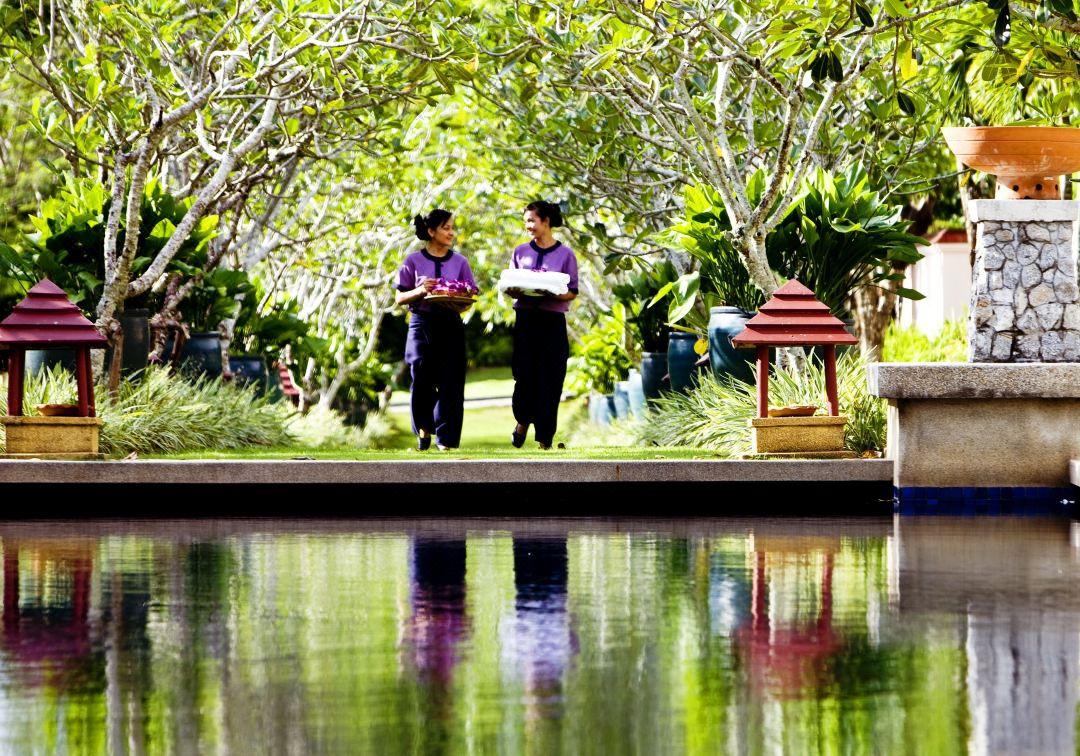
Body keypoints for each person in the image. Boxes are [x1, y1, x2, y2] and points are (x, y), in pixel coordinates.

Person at [395, 209, 476, 451]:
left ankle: (447, 440)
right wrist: (421, 291)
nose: (451, 232)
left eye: (452, 227)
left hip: (450, 323)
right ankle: (423, 429)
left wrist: (458, 298)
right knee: (421, 375)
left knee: (452, 380)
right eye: (446, 228)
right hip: (422, 323)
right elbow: (400, 297)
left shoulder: (460, 262)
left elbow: (468, 296)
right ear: (431, 232)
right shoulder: (413, 261)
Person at [504, 200, 579, 450]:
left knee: (551, 378)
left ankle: (545, 439)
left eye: (531, 221)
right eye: (526, 221)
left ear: (546, 221)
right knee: (524, 376)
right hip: (525, 320)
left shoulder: (566, 255)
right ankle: (522, 421)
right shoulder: (519, 252)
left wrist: (552, 293)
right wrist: (514, 290)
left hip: (552, 322)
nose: (528, 226)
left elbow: (572, 292)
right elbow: (512, 286)